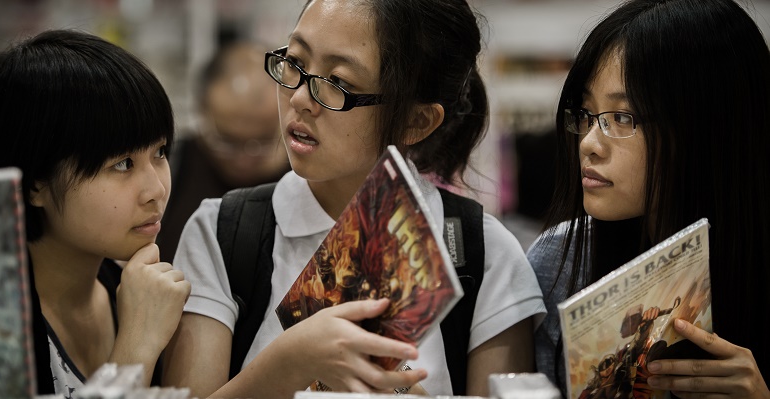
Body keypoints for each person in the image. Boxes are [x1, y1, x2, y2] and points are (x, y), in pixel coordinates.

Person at [163, 0, 546, 397]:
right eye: (295, 62)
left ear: (416, 121)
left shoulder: (485, 254)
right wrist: (288, 363)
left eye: (339, 83)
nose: (300, 99)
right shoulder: (223, 232)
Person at [528, 0, 770, 397]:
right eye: (587, 113)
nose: (589, 143)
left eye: (624, 117)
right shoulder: (560, 259)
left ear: (709, 131)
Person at [0, 30, 192, 395]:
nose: (156, 190)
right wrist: (137, 346)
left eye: (160, 152)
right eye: (122, 164)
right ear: (34, 185)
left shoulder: (133, 289)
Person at [156, 41, 290, 262]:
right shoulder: (169, 166)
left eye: (262, 142)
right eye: (227, 142)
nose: (243, 160)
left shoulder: (309, 177)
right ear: (202, 110)